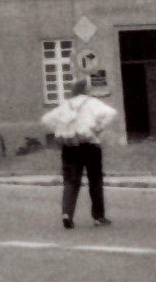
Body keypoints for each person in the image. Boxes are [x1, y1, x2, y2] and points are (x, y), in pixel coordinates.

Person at [40, 77, 118, 229]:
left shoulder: (66, 105)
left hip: (69, 146)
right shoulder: (92, 102)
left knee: (70, 181)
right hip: (90, 145)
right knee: (95, 180)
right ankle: (98, 216)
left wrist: (60, 128)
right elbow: (111, 113)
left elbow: (46, 119)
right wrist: (98, 127)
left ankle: (67, 213)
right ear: (86, 90)